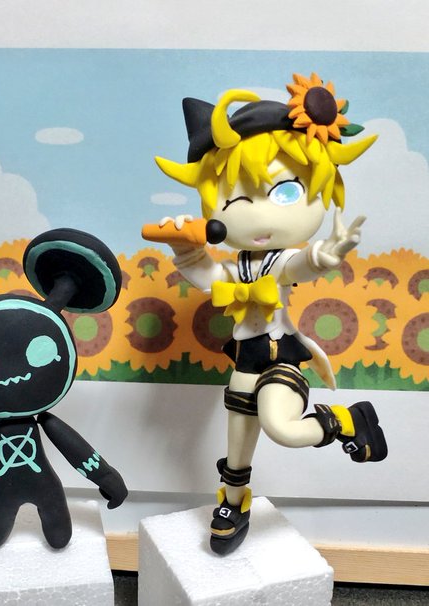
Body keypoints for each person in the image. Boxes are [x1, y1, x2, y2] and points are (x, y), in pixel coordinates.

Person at [149, 73, 388, 555]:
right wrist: (183, 248)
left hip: (281, 357)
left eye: (285, 193)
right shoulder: (237, 265)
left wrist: (326, 253)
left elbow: (299, 264)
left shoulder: (278, 262)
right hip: (245, 358)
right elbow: (208, 278)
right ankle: (233, 503)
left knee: (281, 427)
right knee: (237, 447)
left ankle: (345, 421)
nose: (259, 216)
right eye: (236, 199)